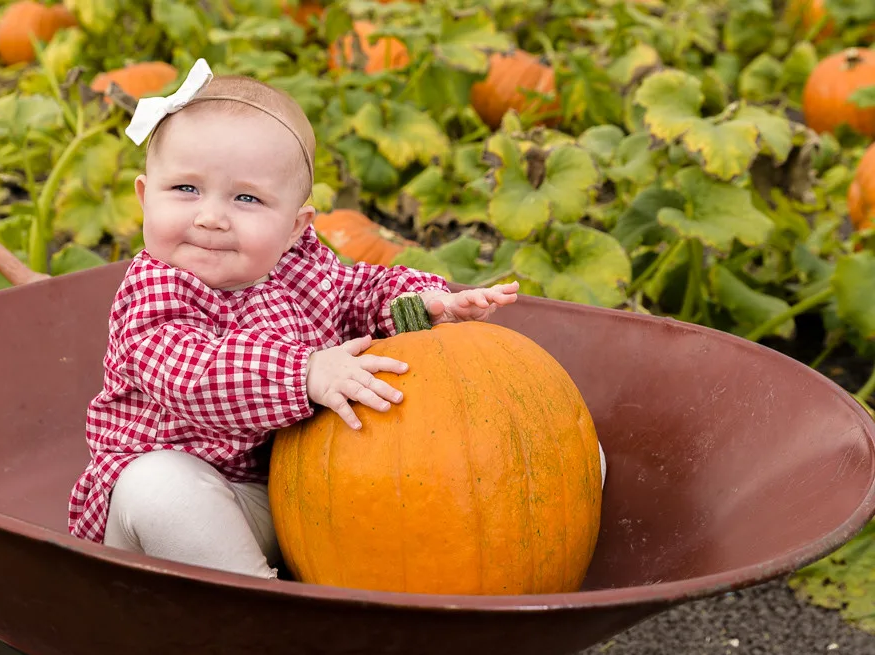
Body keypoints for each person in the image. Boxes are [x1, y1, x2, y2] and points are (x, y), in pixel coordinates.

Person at [66, 58, 589, 580]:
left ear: (295, 227)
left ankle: (357, 587)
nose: (210, 216)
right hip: (169, 520)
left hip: (278, 494)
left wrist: (425, 303)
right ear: (143, 197)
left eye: (246, 198)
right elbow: (194, 375)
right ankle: (261, 610)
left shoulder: (298, 266)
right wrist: (305, 373)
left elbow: (357, 292)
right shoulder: (155, 289)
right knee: (156, 486)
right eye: (186, 189)